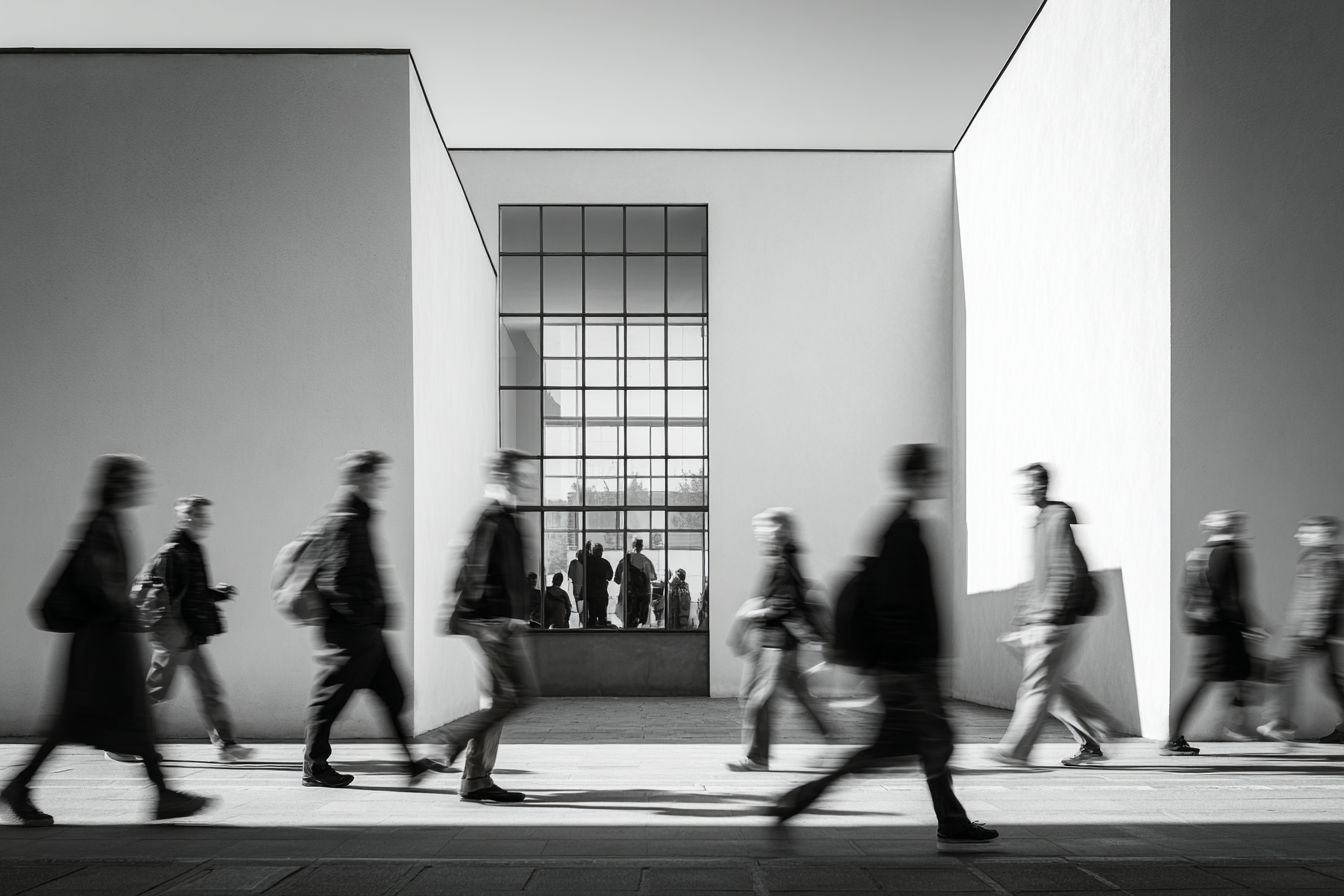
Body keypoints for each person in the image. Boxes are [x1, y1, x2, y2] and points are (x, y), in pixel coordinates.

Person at [771, 445, 998, 853]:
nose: (936, 479)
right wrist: (909, 664)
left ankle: (950, 819)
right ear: (916, 476)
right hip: (907, 668)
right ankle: (948, 820)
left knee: (913, 745)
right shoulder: (902, 530)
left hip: (904, 666)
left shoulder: (901, 525)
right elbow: (896, 605)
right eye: (929, 472)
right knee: (929, 741)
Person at [1, 455, 211, 826]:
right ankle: (20, 785)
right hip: (102, 644)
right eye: (133, 479)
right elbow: (100, 587)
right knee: (84, 721)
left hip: (108, 639)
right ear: (117, 485)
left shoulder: (110, 522)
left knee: (125, 718)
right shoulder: (102, 525)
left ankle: (161, 793)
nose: (140, 486)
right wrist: (131, 615)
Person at [302, 450, 441, 788]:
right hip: (351, 633)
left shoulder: (358, 517)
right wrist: (364, 617)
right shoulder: (345, 520)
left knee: (394, 695)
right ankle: (314, 767)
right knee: (329, 701)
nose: (383, 482)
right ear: (360, 478)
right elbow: (334, 580)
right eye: (378, 476)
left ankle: (409, 764)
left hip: (366, 631)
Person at [425, 448, 539, 802]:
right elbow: (476, 569)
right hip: (493, 623)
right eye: (522, 474)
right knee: (517, 696)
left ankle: (475, 777)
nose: (528, 480)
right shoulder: (493, 516)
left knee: (502, 698)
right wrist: (497, 617)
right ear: (505, 475)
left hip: (493, 621)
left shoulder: (503, 515)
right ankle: (451, 742)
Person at [994, 463, 1119, 767]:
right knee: (1054, 686)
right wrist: (1022, 620)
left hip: (1054, 620)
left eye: (1029, 484)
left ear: (1041, 486)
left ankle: (1015, 751)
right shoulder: (1039, 520)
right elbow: (1036, 577)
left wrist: (1047, 617)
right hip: (1042, 618)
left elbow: (1065, 572)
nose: (1024, 490)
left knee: (1036, 685)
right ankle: (1098, 731)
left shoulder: (1057, 517)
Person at [140, 495, 253, 763]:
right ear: (187, 518)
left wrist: (215, 594)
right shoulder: (172, 552)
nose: (207, 523)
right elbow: (162, 597)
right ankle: (126, 740)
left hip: (188, 635)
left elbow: (191, 593)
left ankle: (226, 745)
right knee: (156, 692)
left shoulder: (190, 549)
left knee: (209, 689)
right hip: (174, 637)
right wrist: (173, 634)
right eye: (201, 517)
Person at [729, 507, 830, 772]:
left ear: (779, 531)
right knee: (783, 695)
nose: (760, 537)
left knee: (758, 700)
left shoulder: (785, 561)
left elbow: (784, 605)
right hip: (771, 641)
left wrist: (749, 614)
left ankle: (758, 758)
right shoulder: (780, 559)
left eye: (764, 531)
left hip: (779, 644)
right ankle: (831, 737)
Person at [1163, 511, 1260, 756]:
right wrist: (1249, 625)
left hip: (1206, 629)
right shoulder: (1230, 553)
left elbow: (1184, 594)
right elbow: (1232, 596)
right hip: (1224, 629)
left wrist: (1193, 624)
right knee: (1208, 682)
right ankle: (1177, 738)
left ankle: (1235, 724)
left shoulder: (1199, 554)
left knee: (1236, 675)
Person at [1259, 516, 1344, 744]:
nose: (1299, 535)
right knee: (1330, 681)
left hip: (1309, 632)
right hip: (1307, 630)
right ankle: (1280, 722)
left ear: (1323, 534)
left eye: (1306, 531)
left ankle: (1280, 723)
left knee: (1283, 672)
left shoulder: (1325, 560)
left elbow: (1322, 597)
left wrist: (1311, 631)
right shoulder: (1316, 558)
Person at [615, 537, 657, 628]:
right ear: (641, 547)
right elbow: (654, 577)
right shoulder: (646, 560)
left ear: (633, 545)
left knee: (629, 619)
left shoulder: (625, 559)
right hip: (643, 594)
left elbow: (617, 579)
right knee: (640, 621)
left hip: (629, 594)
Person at [585, 543, 614, 628]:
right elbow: (610, 577)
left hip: (591, 593)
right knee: (602, 615)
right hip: (602, 592)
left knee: (592, 615)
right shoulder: (605, 563)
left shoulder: (588, 562)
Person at [568, 544, 587, 624]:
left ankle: (582, 620)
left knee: (579, 605)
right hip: (586, 588)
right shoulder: (587, 565)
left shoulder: (573, 563)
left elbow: (570, 575)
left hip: (577, 588)